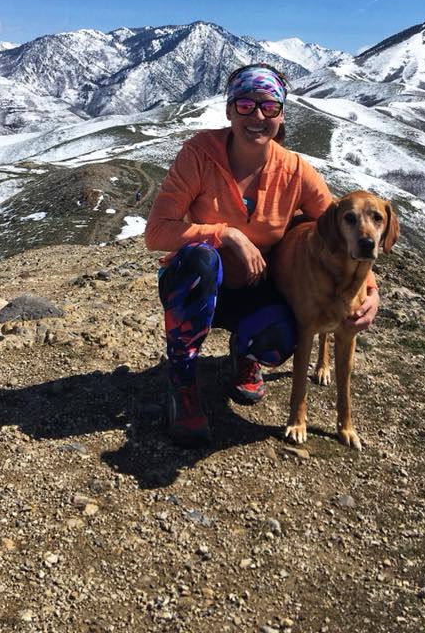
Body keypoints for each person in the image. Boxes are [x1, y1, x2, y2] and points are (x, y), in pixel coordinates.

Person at [144, 64, 380, 447]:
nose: (257, 116)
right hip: (200, 286)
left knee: (287, 333)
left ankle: (245, 355)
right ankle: (183, 381)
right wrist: (228, 234)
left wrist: (369, 287)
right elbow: (156, 232)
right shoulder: (199, 154)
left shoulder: (293, 169)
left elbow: (341, 224)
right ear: (229, 110)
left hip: (256, 286)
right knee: (202, 259)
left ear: (281, 115)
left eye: (269, 108)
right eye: (245, 105)